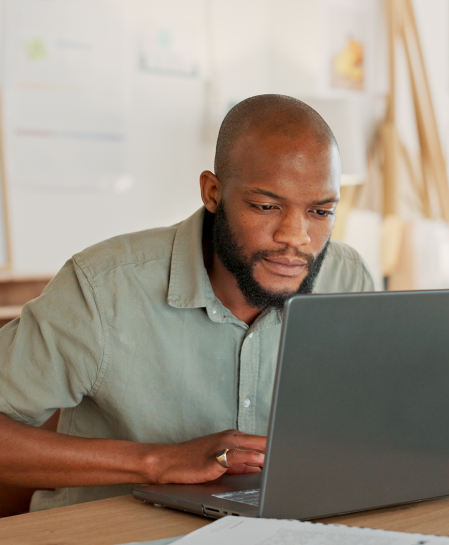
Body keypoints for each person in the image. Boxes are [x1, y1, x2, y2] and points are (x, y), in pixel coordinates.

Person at [0, 94, 374, 511]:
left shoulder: (347, 277)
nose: (295, 236)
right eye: (267, 206)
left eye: (321, 212)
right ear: (212, 193)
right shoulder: (104, 288)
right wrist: (158, 461)